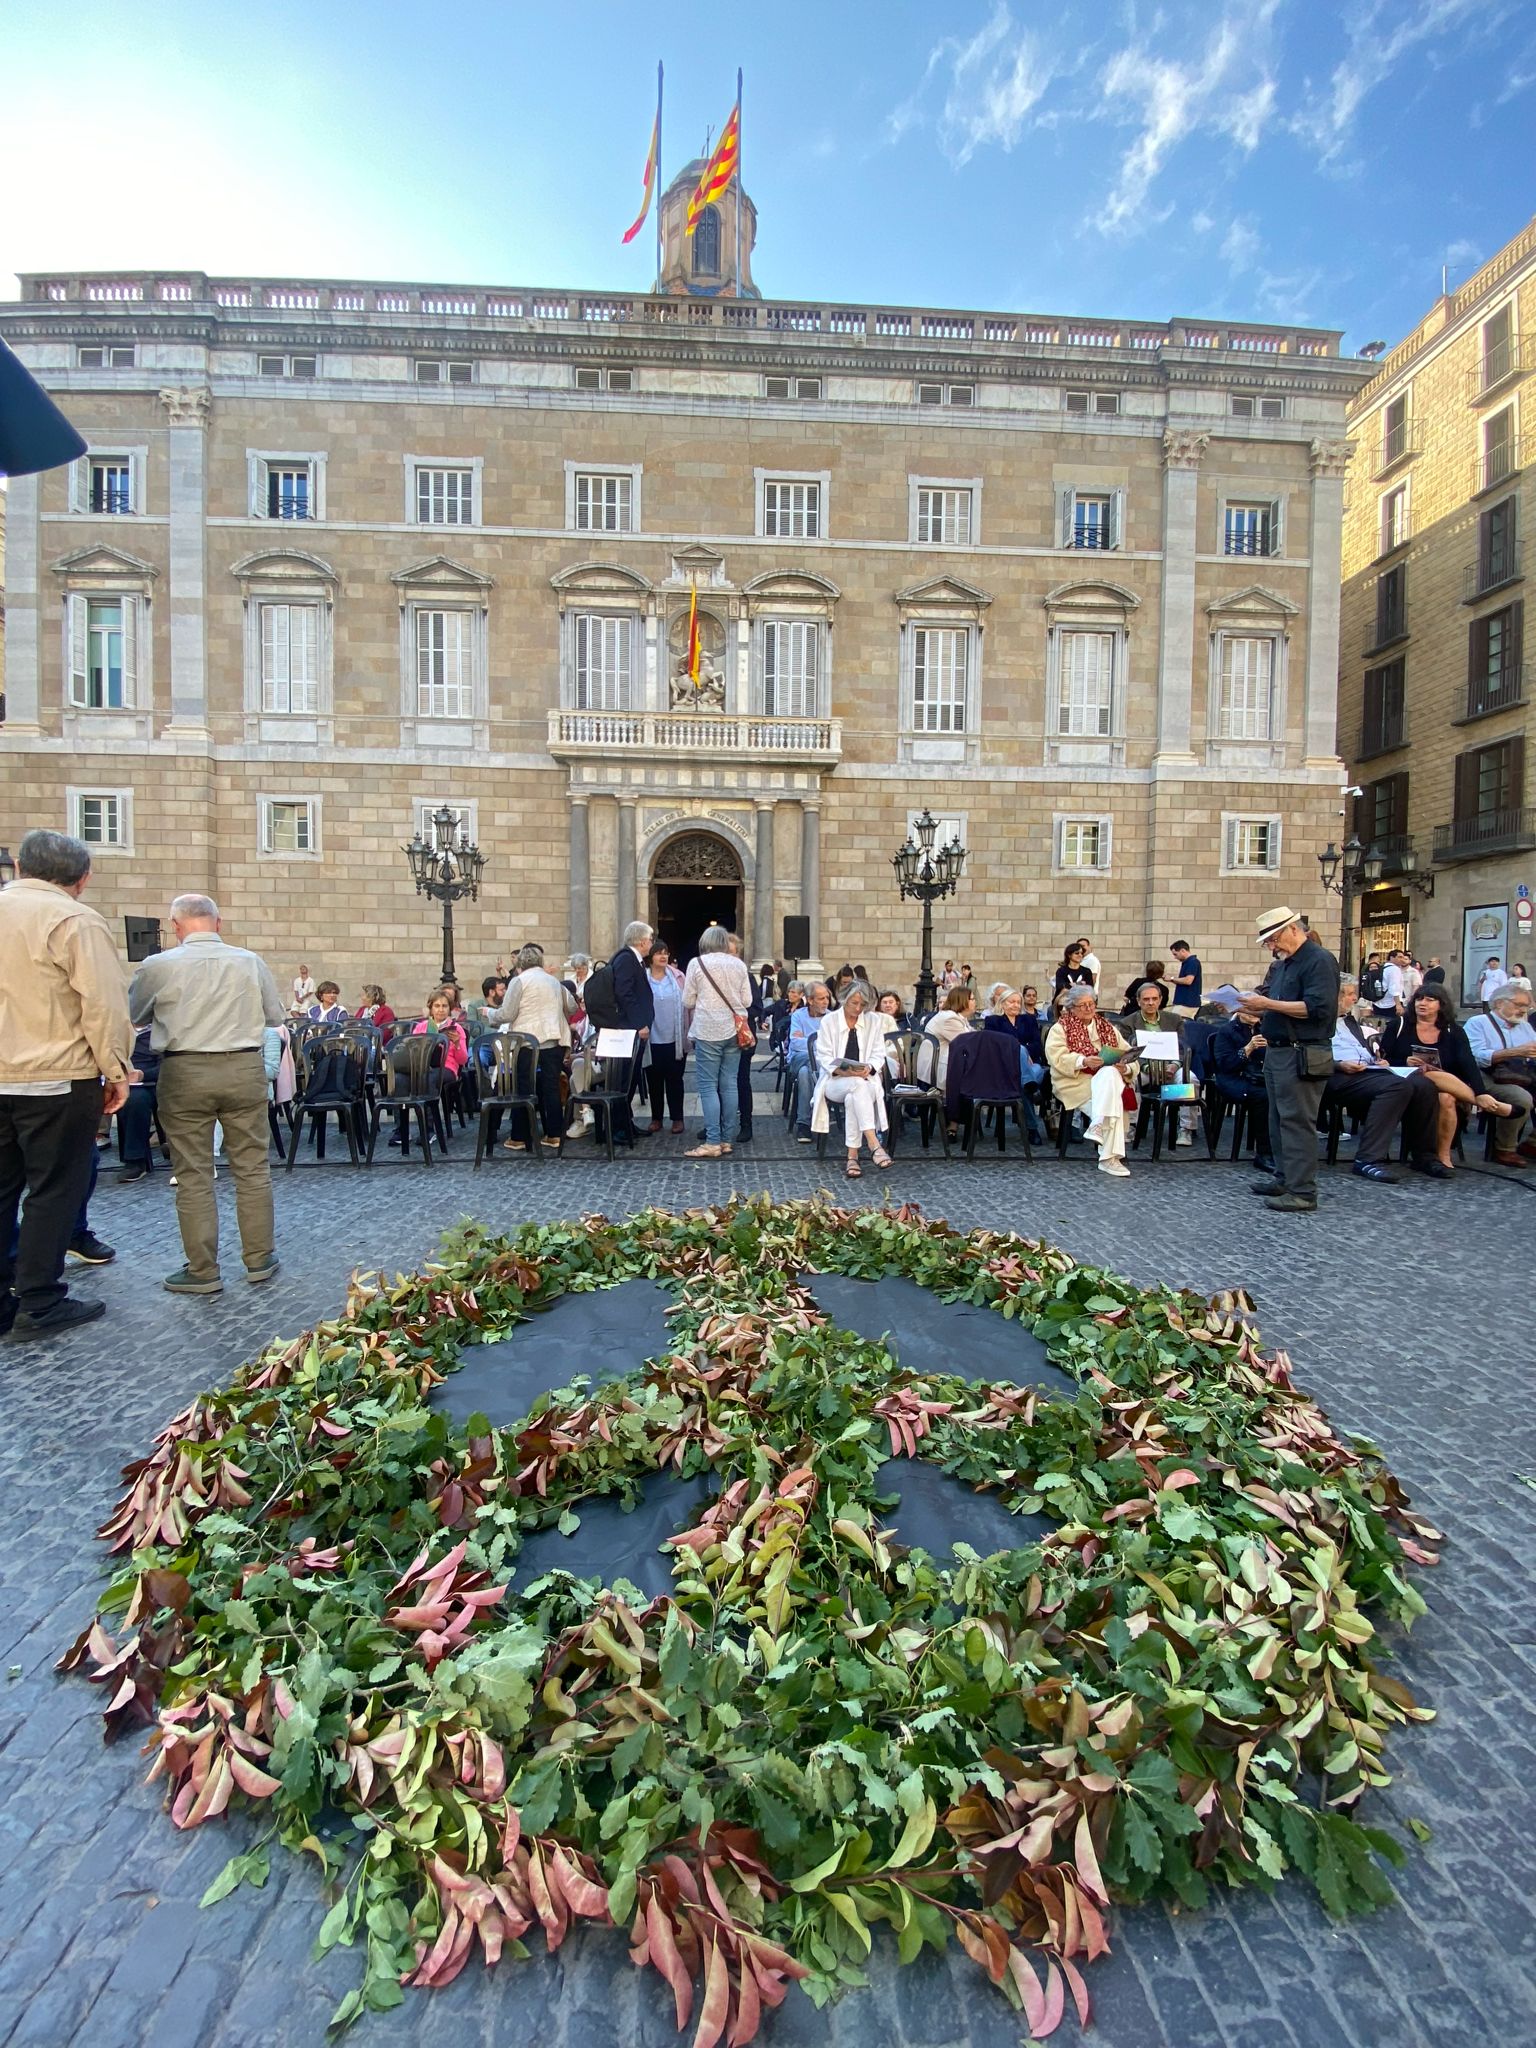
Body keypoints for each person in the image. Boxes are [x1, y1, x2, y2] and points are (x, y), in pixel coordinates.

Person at [0, 831, 134, 1339]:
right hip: (55, 1076)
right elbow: (101, 1003)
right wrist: (115, 1071)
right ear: (82, 879)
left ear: (17, 864)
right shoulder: (74, 920)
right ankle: (39, 1298)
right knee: (54, 1189)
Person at [129, 891, 285, 1294]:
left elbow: (135, 1014)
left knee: (193, 1174)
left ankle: (203, 1269)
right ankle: (259, 1258)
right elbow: (273, 1017)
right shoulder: (250, 961)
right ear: (218, 923)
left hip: (185, 1069)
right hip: (243, 1066)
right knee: (252, 1167)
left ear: (176, 926)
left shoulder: (158, 965)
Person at [1236, 905, 1340, 1213]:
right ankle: (1284, 1178)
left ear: (1294, 929)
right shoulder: (1285, 965)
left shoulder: (1319, 960)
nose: (1271, 946)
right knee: (1278, 1119)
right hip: (1280, 1050)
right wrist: (1248, 1008)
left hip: (1302, 1051)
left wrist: (1266, 1003)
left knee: (1297, 1122)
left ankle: (1303, 1191)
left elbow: (1317, 1008)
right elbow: (1277, 1005)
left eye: (1273, 939)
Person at [1379, 986, 1517, 1171]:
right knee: (1426, 1073)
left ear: (1440, 1005)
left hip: (1449, 1086)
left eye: (1429, 999)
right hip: (1408, 1083)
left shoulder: (1453, 1030)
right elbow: (1384, 1059)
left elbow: (1468, 1063)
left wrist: (1479, 1087)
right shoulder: (1399, 1025)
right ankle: (1487, 1104)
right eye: (1419, 999)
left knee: (1446, 1097)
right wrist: (1404, 1060)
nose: (1423, 1003)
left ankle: (1442, 1155)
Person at [1327, 977, 1446, 1183]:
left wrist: (1379, 1060)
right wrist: (1339, 1064)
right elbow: (1307, 1054)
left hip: (1368, 1070)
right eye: (1349, 994)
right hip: (1336, 1075)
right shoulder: (1315, 1021)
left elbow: (1362, 1050)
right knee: (1397, 1086)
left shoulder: (1348, 1020)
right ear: (1333, 996)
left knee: (1424, 1084)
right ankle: (1368, 1159)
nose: (1355, 998)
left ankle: (1424, 1155)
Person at [1046, 985, 1138, 1176]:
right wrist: (1083, 1060)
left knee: (1110, 1074)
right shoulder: (1060, 1028)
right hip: (1076, 1081)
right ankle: (1110, 1158)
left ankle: (1098, 1128)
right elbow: (1056, 1057)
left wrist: (1126, 1067)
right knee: (1114, 1095)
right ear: (1071, 1008)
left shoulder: (1107, 1027)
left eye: (1091, 1004)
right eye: (1082, 1005)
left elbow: (1128, 1053)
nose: (1089, 1008)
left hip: (1107, 1081)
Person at [682, 924, 754, 1158]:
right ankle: (726, 1139)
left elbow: (688, 1001)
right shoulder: (739, 965)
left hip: (708, 1030)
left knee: (707, 1086)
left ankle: (712, 1141)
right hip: (734, 1030)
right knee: (730, 1084)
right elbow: (747, 999)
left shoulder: (697, 964)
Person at [493, 944, 573, 1150]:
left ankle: (520, 1137)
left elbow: (507, 1014)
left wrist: (489, 1014)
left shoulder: (518, 981)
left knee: (524, 1089)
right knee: (551, 1088)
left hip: (526, 1043)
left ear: (520, 964)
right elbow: (572, 1006)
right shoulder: (554, 982)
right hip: (553, 1041)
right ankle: (554, 1135)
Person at [809, 983, 892, 1177]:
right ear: (843, 1000)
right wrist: (842, 1070)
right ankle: (874, 1144)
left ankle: (852, 1157)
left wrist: (869, 1067)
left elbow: (879, 1054)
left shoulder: (873, 1020)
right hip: (834, 1081)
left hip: (865, 1081)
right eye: (854, 1003)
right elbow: (823, 1056)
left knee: (854, 1095)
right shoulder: (829, 1021)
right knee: (856, 1086)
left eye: (862, 1004)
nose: (857, 1008)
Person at [1461, 983, 1536, 1166]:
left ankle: (1532, 1143)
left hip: (1520, 1075)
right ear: (1500, 1003)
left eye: (1526, 1006)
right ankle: (1504, 1148)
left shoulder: (1524, 1026)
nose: (1523, 1010)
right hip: (1487, 1078)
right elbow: (1475, 1057)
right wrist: (1515, 1051)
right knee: (1521, 1098)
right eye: (1518, 1005)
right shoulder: (1478, 1023)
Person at [1211, 1003, 1276, 1176]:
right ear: (1239, 1011)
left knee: (1284, 1093)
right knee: (1264, 1097)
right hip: (1234, 1078)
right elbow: (1225, 1065)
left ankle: (1284, 1150)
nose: (1255, 1014)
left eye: (1258, 1010)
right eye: (1251, 1010)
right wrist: (1248, 1048)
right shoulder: (1227, 1031)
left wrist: (1271, 1046)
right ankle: (1264, 1153)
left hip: (1259, 1076)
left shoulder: (1265, 1028)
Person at [609, 921, 656, 1149]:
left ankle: (625, 1123)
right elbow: (625, 993)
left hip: (630, 1029)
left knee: (630, 1078)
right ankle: (619, 1127)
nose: (652, 943)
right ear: (641, 941)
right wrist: (640, 1024)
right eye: (650, 939)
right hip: (628, 1030)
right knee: (624, 1079)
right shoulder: (627, 959)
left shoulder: (629, 958)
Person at [982, 989, 1048, 1143]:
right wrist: (1021, 1049)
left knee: (1028, 1076)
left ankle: (1027, 1083)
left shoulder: (1029, 1020)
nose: (1016, 1005)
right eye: (1012, 1002)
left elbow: (1037, 1045)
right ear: (1002, 1004)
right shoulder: (993, 1021)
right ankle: (1032, 1130)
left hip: (1032, 1067)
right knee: (1020, 1050)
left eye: (1018, 1002)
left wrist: (1023, 1054)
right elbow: (992, 1047)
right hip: (1002, 1069)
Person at [643, 940, 688, 1134]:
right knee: (653, 1081)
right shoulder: (642, 979)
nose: (663, 956)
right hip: (651, 1038)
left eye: (666, 953)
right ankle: (656, 1118)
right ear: (650, 957)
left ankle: (677, 1118)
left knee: (675, 1080)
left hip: (675, 1038)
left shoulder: (678, 978)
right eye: (659, 953)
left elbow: (688, 1004)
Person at [787, 982, 832, 1141]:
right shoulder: (798, 1016)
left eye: (827, 997)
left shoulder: (831, 1018)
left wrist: (808, 1042)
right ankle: (817, 1109)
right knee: (810, 1062)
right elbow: (794, 1043)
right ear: (810, 1000)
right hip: (800, 1060)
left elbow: (834, 1046)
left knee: (806, 1073)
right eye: (821, 998)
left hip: (821, 1064)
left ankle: (803, 1124)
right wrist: (820, 1047)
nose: (826, 1002)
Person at [924, 985, 977, 1092]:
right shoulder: (949, 1018)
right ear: (962, 1001)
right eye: (972, 999)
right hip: (938, 1069)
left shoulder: (958, 1017)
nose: (975, 1002)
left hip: (948, 1064)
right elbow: (968, 1043)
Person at [1168, 940, 1203, 1019]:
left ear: (1183, 950)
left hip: (1187, 1003)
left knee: (1176, 1023)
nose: (1175, 957)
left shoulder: (1192, 962)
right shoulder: (1188, 962)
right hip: (1185, 1002)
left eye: (1175, 954)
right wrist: (1171, 980)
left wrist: (1172, 978)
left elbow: (1188, 981)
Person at [1372, 950, 1406, 1023]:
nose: (1402, 959)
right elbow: (1394, 987)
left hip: (1378, 1001)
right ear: (1391, 957)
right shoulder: (1394, 969)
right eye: (1399, 957)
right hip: (1391, 1003)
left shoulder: (1382, 967)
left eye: (1403, 957)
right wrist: (1398, 1004)